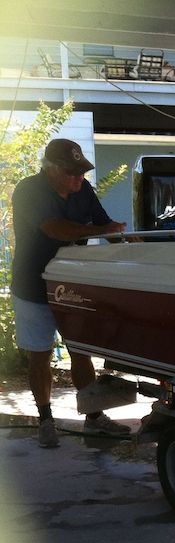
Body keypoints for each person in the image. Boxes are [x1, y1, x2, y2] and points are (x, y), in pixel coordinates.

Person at [11, 138, 132, 448]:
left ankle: (94, 418)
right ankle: (45, 420)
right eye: (71, 173)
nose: (79, 178)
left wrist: (135, 252)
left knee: (81, 351)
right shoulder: (29, 190)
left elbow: (107, 226)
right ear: (50, 170)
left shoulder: (84, 191)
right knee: (41, 355)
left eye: (81, 172)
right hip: (33, 285)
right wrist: (102, 231)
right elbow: (55, 229)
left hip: (71, 287)